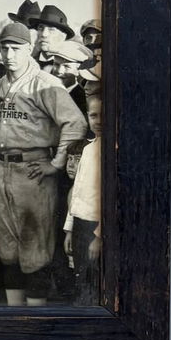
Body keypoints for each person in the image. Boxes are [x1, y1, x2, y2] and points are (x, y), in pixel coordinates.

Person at [0, 22, 88, 306]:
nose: (9, 54)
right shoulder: (1, 83)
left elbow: (75, 124)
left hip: (32, 171)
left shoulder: (45, 83)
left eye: (16, 48)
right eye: (4, 48)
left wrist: (55, 164)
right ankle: (14, 319)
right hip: (3, 170)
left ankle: (35, 322)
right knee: (8, 250)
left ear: (28, 48)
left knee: (35, 252)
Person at [64, 93, 102, 307]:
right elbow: (77, 192)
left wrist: (99, 237)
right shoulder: (88, 148)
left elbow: (114, 199)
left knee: (95, 284)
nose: (98, 121)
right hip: (80, 225)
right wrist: (69, 229)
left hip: (96, 228)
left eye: (103, 115)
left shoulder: (112, 150)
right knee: (82, 283)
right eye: (93, 115)